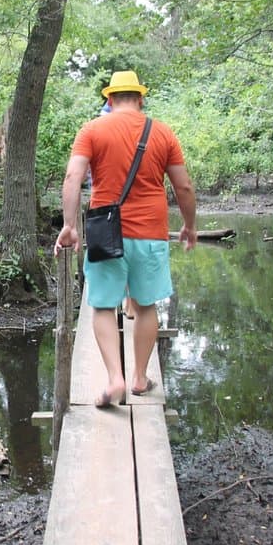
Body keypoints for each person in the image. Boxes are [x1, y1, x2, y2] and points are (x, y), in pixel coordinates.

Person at [54, 70, 197, 407]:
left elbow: (73, 176)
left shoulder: (92, 129)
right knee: (146, 306)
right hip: (151, 232)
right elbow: (184, 187)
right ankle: (138, 378)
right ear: (141, 98)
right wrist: (189, 225)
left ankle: (114, 378)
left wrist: (69, 225)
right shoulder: (162, 132)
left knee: (103, 306)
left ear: (109, 99)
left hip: (106, 232)